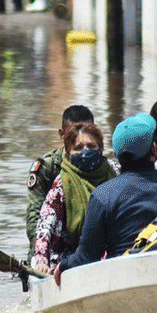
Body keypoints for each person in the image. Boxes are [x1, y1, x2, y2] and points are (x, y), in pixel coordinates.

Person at [55, 113, 157, 280]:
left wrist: (63, 266)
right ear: (154, 150)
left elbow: (87, 257)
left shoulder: (102, 196)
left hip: (122, 279)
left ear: (117, 155)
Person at [26, 105, 110, 261]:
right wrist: (40, 257)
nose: (81, 136)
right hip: (58, 249)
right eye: (74, 132)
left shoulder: (108, 170)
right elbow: (37, 219)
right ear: (62, 135)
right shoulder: (48, 169)